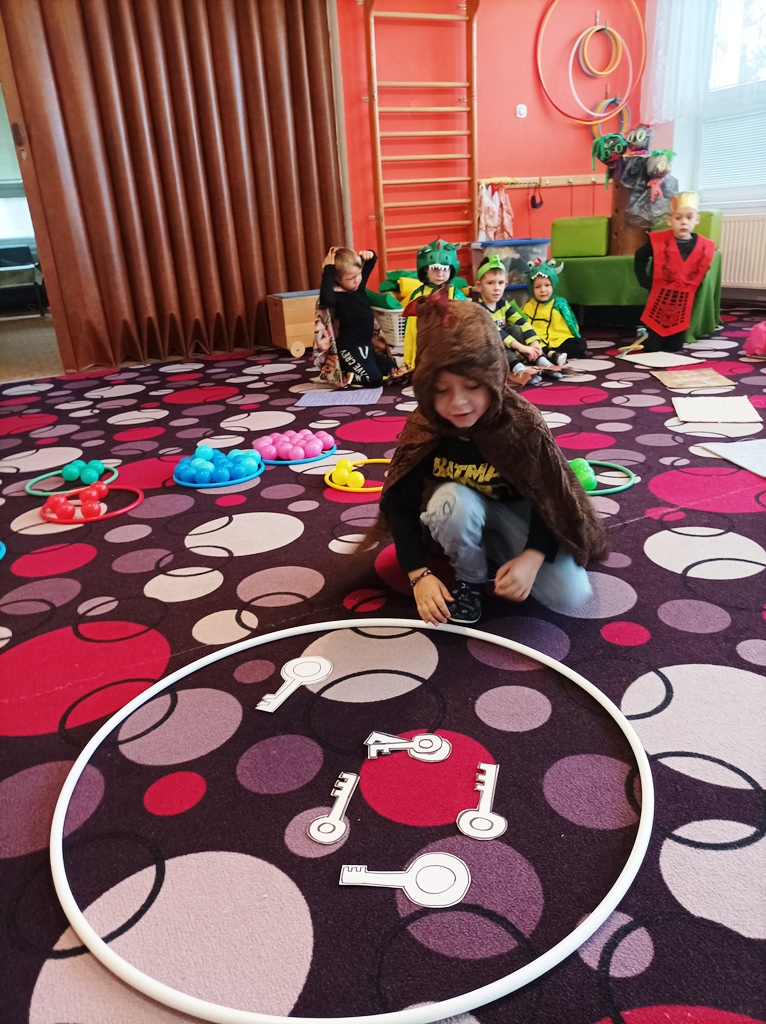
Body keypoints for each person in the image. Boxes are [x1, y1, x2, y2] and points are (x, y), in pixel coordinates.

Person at [378, 289, 609, 626]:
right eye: (441, 390)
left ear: (493, 375)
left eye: (473, 386)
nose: (458, 403)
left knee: (568, 593)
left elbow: (552, 495)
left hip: (518, 515)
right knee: (451, 501)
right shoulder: (424, 424)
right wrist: (418, 575)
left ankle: (493, 552)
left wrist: (532, 556)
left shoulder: (521, 422)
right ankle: (470, 576)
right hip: (457, 514)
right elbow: (401, 504)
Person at [632, 191, 716, 353]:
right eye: (678, 218)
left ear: (697, 220)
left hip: (683, 303)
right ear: (670, 221)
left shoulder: (704, 246)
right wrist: (644, 279)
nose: (684, 222)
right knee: (653, 348)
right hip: (658, 299)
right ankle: (649, 337)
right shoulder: (657, 241)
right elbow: (640, 257)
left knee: (675, 348)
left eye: (689, 217)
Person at [319, 247, 407, 387]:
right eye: (350, 278)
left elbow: (372, 261)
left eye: (358, 274)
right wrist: (328, 270)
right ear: (337, 279)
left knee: (392, 368)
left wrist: (369, 254)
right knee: (374, 380)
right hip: (349, 350)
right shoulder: (337, 297)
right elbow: (325, 299)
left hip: (366, 347)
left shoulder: (358, 288)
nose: (357, 280)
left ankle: (366, 366)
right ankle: (346, 376)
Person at [472, 254, 563, 386]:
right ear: (479, 286)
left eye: (500, 283)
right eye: (490, 283)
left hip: (506, 344)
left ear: (505, 284)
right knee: (499, 343)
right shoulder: (478, 309)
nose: (497, 288)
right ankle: (518, 369)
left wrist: (534, 343)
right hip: (488, 351)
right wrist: (522, 348)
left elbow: (522, 322)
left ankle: (540, 360)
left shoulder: (503, 304)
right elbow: (498, 333)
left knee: (516, 328)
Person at [403, 239, 467, 369]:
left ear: (451, 270)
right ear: (426, 269)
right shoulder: (418, 296)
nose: (440, 274)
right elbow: (410, 331)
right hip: (425, 345)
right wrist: (409, 360)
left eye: (444, 269)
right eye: (435, 269)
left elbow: (464, 327)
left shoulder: (456, 295)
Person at [521, 258, 588, 364]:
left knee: (580, 344)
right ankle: (550, 355)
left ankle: (548, 355)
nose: (543, 290)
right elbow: (522, 327)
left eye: (547, 285)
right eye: (537, 287)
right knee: (526, 347)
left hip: (560, 340)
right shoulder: (528, 306)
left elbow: (572, 324)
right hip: (538, 343)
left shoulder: (560, 303)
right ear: (532, 288)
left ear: (553, 285)